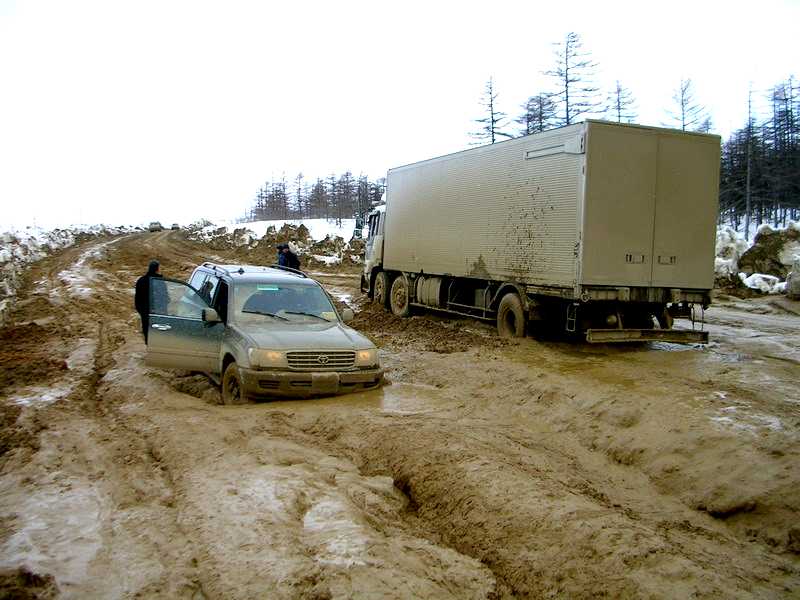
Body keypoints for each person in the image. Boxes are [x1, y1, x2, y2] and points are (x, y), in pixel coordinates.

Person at [134, 260, 165, 343]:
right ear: (157, 269)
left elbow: (137, 300)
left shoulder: (141, 280)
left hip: (145, 314)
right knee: (159, 337)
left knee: (148, 337)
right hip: (158, 314)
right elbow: (164, 298)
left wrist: (142, 312)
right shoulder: (159, 281)